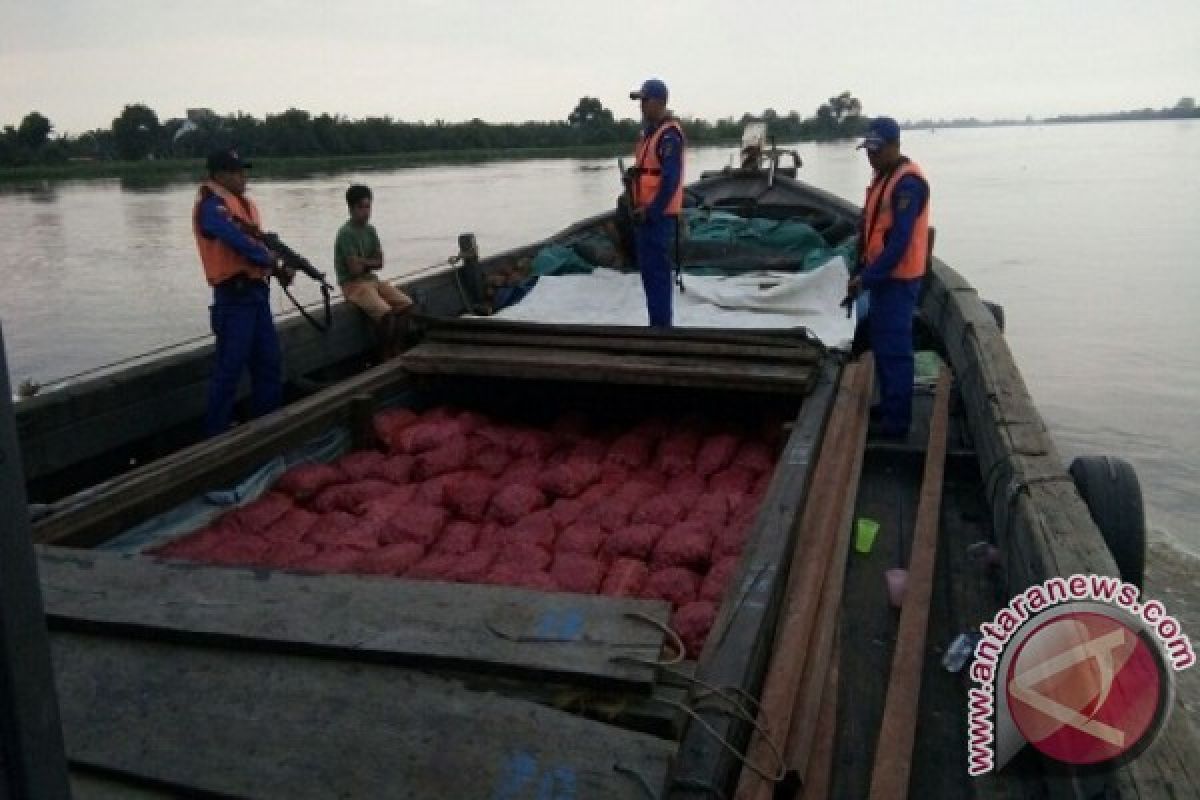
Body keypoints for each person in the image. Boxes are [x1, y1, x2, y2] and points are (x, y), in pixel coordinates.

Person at [193, 147, 292, 437]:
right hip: (233, 298)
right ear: (219, 175)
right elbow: (236, 240)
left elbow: (256, 244)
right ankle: (215, 438)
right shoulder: (211, 206)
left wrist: (278, 268)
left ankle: (269, 428)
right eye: (236, 172)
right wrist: (271, 260)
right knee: (230, 370)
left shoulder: (242, 205)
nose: (243, 177)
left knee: (269, 363)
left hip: (257, 294)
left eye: (243, 171)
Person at [847, 117, 931, 439]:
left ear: (895, 146)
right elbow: (869, 230)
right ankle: (888, 406)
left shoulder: (909, 184)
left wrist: (867, 278)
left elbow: (899, 243)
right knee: (882, 343)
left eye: (877, 150)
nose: (871, 157)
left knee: (895, 349)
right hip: (882, 277)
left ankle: (897, 424)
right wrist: (861, 269)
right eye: (868, 150)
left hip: (899, 279)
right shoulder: (884, 177)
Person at [629, 78, 685, 327]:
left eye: (645, 100)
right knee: (649, 276)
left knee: (658, 276)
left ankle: (662, 331)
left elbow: (670, 179)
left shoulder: (669, 136)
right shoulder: (649, 134)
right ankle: (656, 325)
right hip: (644, 214)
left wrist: (652, 211)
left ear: (659, 102)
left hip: (657, 217)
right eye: (640, 100)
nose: (641, 105)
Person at [335, 184, 413, 358]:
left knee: (406, 304)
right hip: (353, 285)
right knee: (387, 314)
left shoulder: (371, 230)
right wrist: (370, 262)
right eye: (361, 207)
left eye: (368, 206)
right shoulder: (346, 234)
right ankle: (384, 355)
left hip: (372, 280)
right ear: (351, 208)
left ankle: (397, 349)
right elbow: (354, 271)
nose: (366, 211)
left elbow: (381, 263)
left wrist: (363, 262)